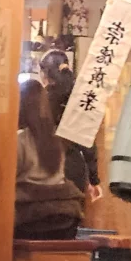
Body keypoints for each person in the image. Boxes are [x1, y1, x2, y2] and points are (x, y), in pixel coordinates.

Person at [15, 78, 84, 239]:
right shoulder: (57, 140)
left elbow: (7, 178)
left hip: (30, 218)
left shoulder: (20, 140)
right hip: (65, 217)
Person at [39, 49, 103, 203]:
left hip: (43, 170)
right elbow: (88, 144)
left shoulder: (38, 100)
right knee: (69, 221)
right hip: (74, 171)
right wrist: (94, 180)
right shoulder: (78, 101)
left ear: (44, 74)